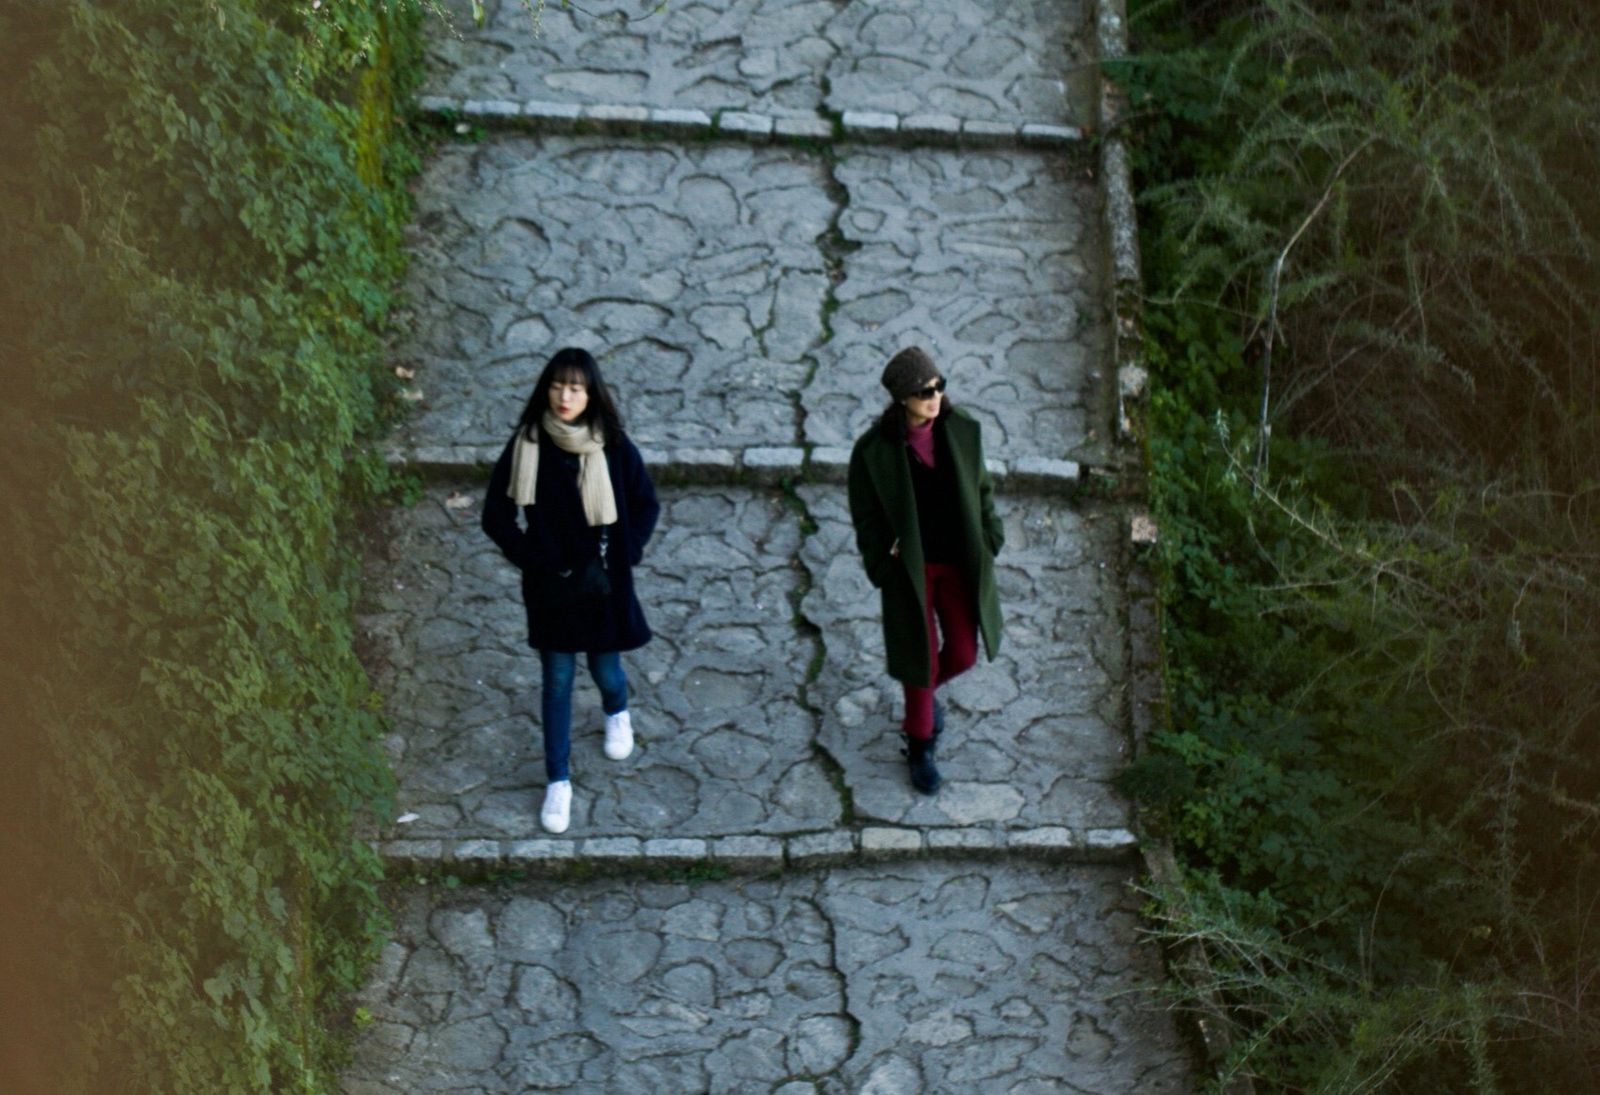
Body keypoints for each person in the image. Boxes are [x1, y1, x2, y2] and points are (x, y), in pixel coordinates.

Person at [481, 347, 660, 834]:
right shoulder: (528, 444)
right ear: (547, 389)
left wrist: (630, 551)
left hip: (605, 583)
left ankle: (617, 710)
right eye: (558, 386)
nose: (565, 396)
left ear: (591, 393)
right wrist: (532, 559)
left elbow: (645, 505)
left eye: (576, 388)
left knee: (607, 669)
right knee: (557, 682)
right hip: (551, 587)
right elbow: (495, 516)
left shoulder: (614, 446)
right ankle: (557, 781)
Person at [847, 346, 1004, 794]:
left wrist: (990, 535)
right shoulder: (874, 452)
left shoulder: (960, 430)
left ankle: (922, 702)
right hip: (910, 573)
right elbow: (865, 517)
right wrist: (881, 562)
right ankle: (920, 744)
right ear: (902, 398)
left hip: (957, 563)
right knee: (920, 659)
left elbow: (984, 488)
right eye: (923, 391)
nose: (934, 397)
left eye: (938, 386)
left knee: (963, 652)